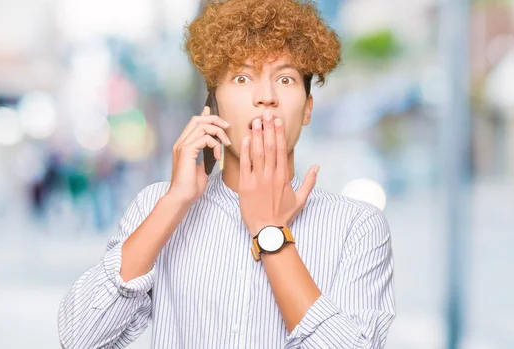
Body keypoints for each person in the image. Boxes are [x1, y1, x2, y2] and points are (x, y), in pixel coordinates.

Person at [58, 0, 396, 348]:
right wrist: (175, 201)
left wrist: (270, 233)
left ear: (307, 108)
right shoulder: (158, 206)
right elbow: (80, 338)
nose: (266, 97)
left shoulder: (358, 227)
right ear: (213, 104)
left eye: (285, 78)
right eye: (242, 77)